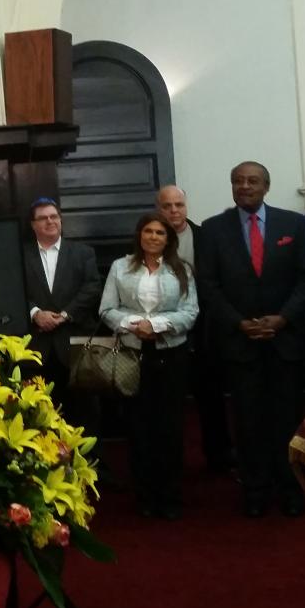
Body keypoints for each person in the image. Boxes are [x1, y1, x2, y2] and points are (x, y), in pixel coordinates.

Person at [195, 161, 305, 518]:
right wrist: (238, 323)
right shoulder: (212, 230)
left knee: (287, 421)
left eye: (252, 181)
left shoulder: (292, 224)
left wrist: (282, 319)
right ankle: (255, 491)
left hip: (284, 341)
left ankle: (291, 489)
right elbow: (208, 286)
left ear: (266, 186)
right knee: (247, 423)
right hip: (239, 343)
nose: (244, 186)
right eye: (237, 181)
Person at [98, 214, 197, 519]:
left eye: (160, 233)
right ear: (139, 235)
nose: (153, 237)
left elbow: (190, 312)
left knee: (169, 426)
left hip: (171, 354)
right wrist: (134, 325)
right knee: (139, 427)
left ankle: (170, 496)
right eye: (148, 231)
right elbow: (107, 310)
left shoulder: (182, 270)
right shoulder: (120, 267)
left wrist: (156, 326)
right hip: (132, 353)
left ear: (168, 239)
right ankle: (145, 496)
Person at [159, 184, 234, 472]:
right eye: (167, 206)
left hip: (204, 330)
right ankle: (170, 464)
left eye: (179, 205)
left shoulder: (205, 237)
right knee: (169, 402)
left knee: (211, 397)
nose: (174, 211)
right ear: (159, 209)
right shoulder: (149, 239)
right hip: (163, 331)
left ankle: (220, 456)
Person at [16, 197, 102, 427]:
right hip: (35, 348)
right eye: (43, 218)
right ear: (33, 224)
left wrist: (65, 315)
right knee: (39, 418)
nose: (50, 221)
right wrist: (35, 313)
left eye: (54, 216)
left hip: (75, 345)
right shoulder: (19, 255)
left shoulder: (83, 253)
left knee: (84, 414)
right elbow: (11, 290)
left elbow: (92, 288)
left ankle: (89, 462)